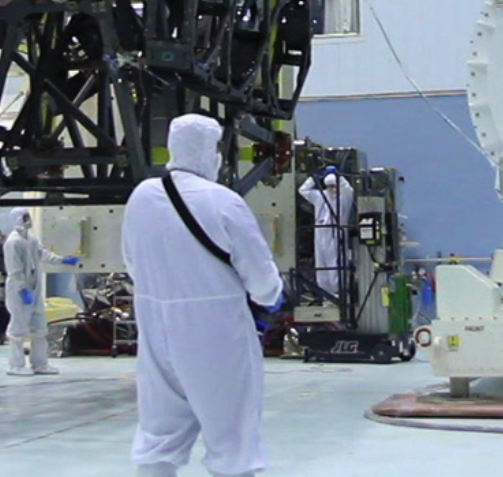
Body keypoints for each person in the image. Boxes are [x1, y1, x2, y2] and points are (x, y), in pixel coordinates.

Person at [123, 113, 284, 477]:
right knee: (232, 436)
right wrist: (272, 297)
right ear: (210, 152)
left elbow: (132, 263)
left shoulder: (142, 196)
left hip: (157, 330)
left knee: (159, 433)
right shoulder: (223, 201)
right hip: (216, 334)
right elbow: (261, 278)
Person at [2, 208, 79, 377]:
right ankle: (15, 365)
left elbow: (43, 254)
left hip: (35, 288)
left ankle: (39, 363)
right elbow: (14, 269)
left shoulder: (31, 239)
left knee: (39, 327)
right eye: (25, 217)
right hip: (19, 290)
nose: (28, 219)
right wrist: (22, 290)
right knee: (18, 329)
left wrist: (62, 260)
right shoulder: (13, 242)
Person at [297, 167, 354, 297]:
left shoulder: (343, 198)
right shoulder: (321, 197)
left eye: (334, 186)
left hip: (335, 231)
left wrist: (339, 176)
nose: (331, 189)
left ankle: (338, 292)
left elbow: (348, 189)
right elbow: (303, 190)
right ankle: (325, 293)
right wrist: (313, 178)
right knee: (321, 261)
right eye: (329, 186)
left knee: (335, 260)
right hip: (320, 231)